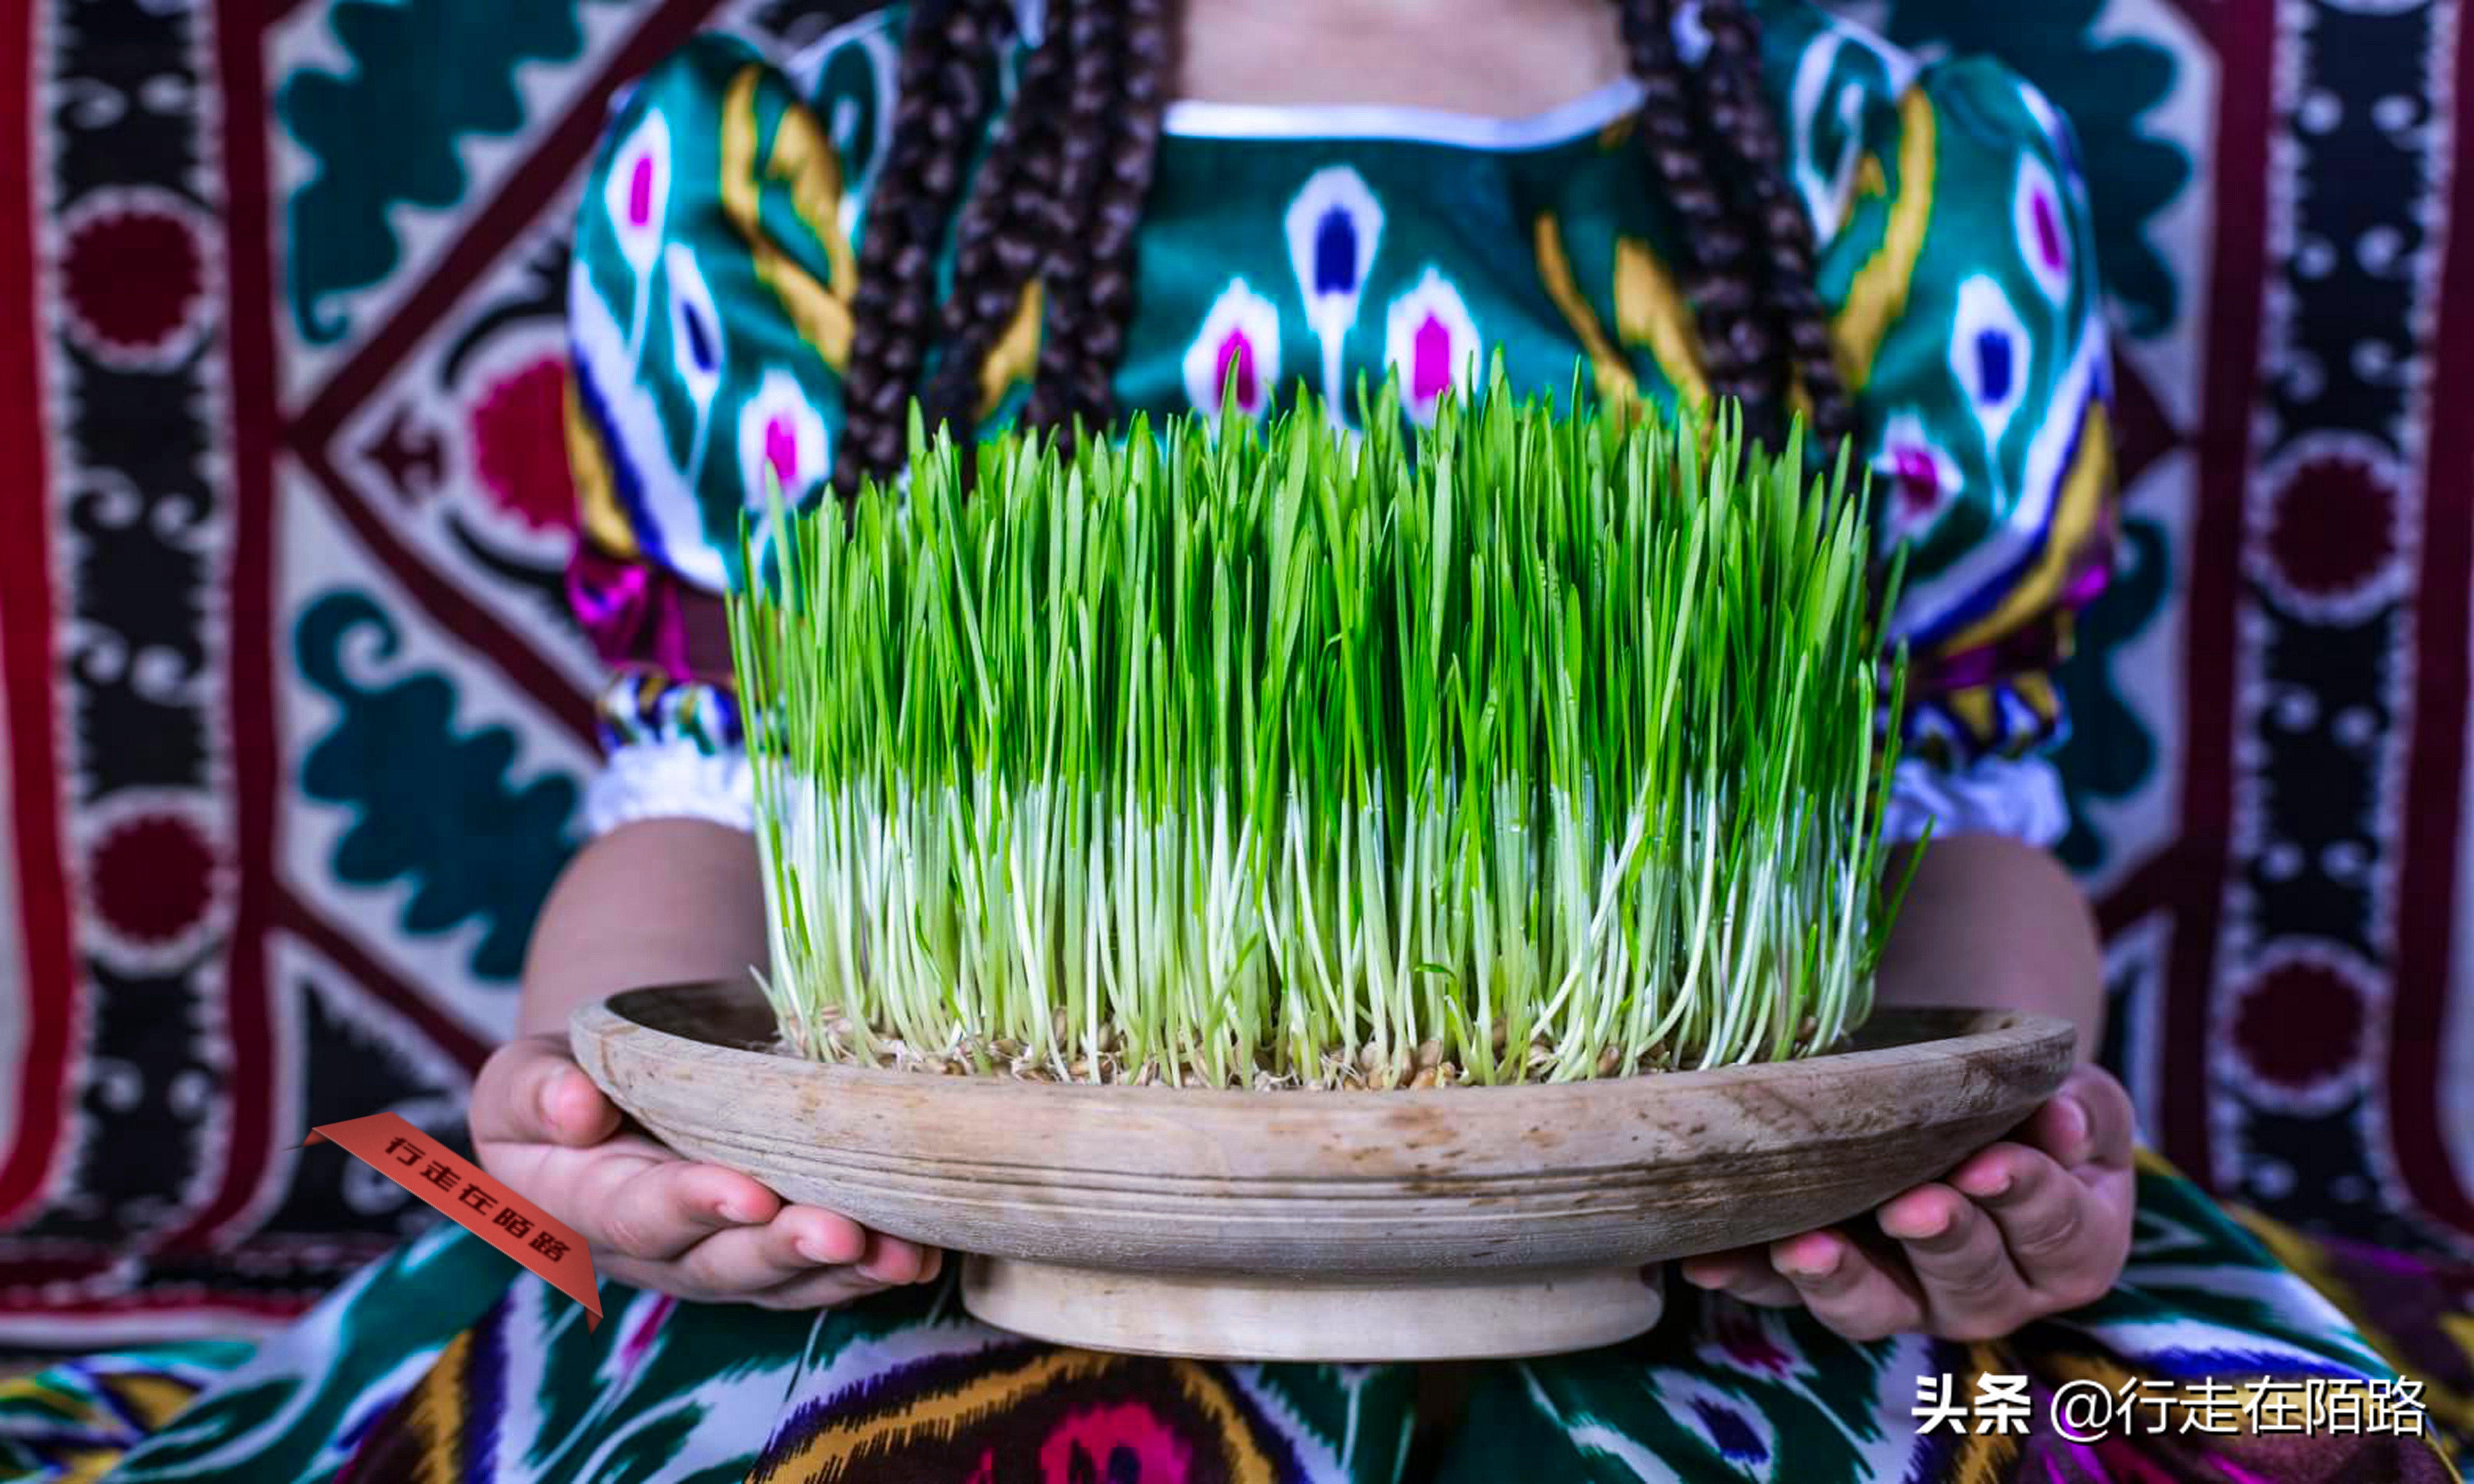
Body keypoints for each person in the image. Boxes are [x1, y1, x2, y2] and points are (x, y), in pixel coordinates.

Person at [13, 0, 2456, 1479]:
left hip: (1714, 1255)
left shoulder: (1899, 173)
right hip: (953, 1258)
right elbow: (700, 799)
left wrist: (1989, 1159)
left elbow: (1957, 829)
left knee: (2271, 1423)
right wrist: (589, 1111)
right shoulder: (788, 165)